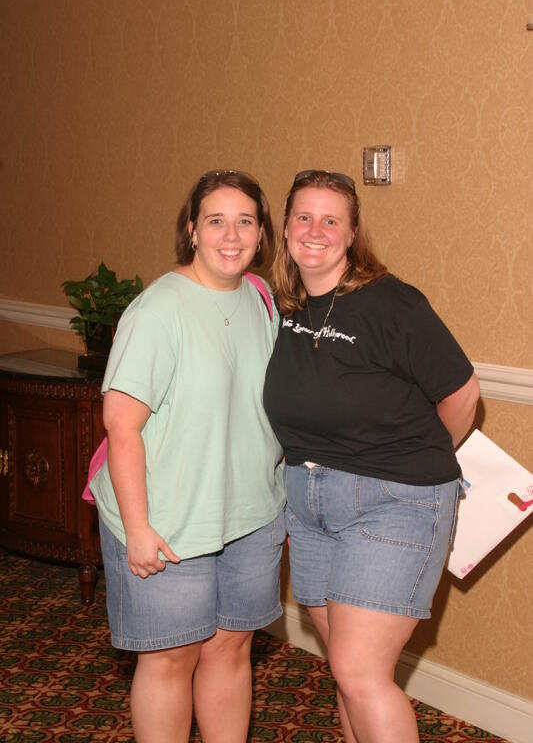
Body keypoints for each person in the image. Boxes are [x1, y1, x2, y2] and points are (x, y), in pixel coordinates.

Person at [263, 169, 479, 743]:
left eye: (331, 219)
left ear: (353, 233)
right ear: (284, 230)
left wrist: (417, 459)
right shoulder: (283, 308)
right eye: (304, 217)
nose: (316, 230)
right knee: (349, 674)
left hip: (394, 504)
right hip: (309, 508)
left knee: (360, 672)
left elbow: (463, 395)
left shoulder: (393, 304)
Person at [88, 170, 285, 743]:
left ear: (260, 233)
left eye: (245, 221)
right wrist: (138, 527)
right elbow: (120, 426)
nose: (232, 234)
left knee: (230, 647)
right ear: (192, 231)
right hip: (167, 519)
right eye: (216, 221)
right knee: (170, 658)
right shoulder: (158, 309)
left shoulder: (259, 298)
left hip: (248, 513)